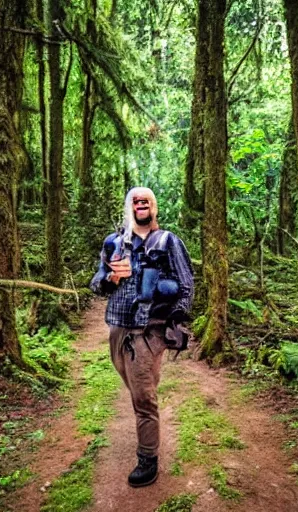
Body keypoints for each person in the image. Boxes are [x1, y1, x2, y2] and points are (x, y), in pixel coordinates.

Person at [90, 187, 194, 487]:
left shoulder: (168, 241)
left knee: (143, 397)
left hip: (150, 330)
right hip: (118, 328)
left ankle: (148, 458)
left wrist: (176, 316)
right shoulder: (114, 243)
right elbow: (96, 284)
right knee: (139, 386)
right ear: (129, 206)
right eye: (135, 200)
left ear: (154, 207)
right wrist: (112, 277)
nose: (140, 203)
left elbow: (186, 283)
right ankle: (146, 411)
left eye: (146, 199)